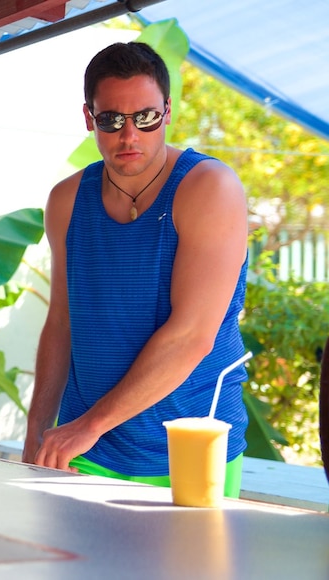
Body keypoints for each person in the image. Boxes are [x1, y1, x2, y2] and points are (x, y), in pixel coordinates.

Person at [24, 42, 250, 497]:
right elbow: (61, 323)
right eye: (111, 120)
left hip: (192, 447)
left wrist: (87, 426)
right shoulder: (66, 201)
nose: (129, 136)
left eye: (144, 117)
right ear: (89, 118)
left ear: (167, 112)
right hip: (86, 451)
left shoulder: (208, 188)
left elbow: (191, 336)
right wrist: (36, 432)